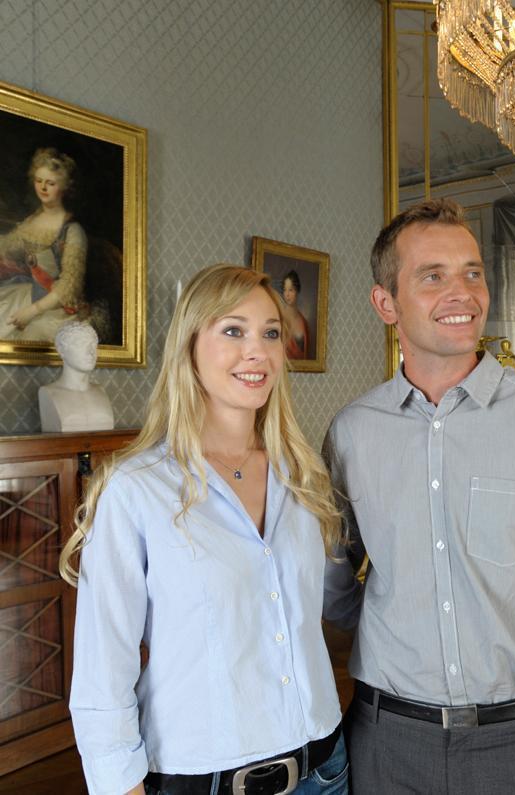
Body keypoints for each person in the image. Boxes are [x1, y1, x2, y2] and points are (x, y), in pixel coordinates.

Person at [324, 199, 515, 794]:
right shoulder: (351, 433)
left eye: (472, 272)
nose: (463, 292)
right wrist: (402, 614)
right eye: (433, 276)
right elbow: (333, 586)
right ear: (386, 303)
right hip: (386, 743)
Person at [60, 264, 349, 795]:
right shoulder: (137, 489)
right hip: (203, 779)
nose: (257, 351)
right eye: (233, 330)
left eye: (270, 333)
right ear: (189, 346)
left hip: (325, 768)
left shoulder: (303, 476)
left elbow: (326, 608)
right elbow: (104, 670)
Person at [0, 148, 87, 341]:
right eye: (39, 181)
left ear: (64, 186)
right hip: (30, 295)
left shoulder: (72, 231)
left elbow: (68, 288)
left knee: (30, 334)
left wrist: (33, 310)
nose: (43, 188)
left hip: (56, 309)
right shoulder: (31, 222)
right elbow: (7, 247)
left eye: (50, 183)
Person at [39, 321, 113, 432]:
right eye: (81, 344)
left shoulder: (101, 391)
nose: (91, 352)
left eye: (93, 345)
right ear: (62, 350)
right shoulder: (48, 393)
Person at [282, 269, 310, 359]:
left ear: (297, 291)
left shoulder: (304, 322)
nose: (287, 294)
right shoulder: (279, 318)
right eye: (285, 290)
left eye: (291, 290)